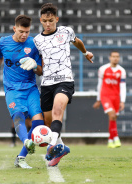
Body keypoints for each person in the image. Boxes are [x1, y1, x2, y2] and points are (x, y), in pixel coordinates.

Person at [0, 15, 45, 169]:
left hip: (30, 88)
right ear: (15, 28)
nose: (24, 35)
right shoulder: (3, 42)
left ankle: (21, 158)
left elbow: (40, 72)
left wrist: (35, 65)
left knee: (38, 124)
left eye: (27, 32)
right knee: (18, 117)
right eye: (21, 31)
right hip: (12, 89)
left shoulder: (34, 44)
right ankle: (26, 142)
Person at [33, 3, 94, 167]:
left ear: (56, 19)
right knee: (48, 121)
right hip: (46, 83)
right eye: (45, 21)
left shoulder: (66, 31)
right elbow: (39, 68)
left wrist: (85, 52)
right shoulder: (37, 41)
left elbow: (77, 41)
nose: (47, 24)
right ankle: (61, 147)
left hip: (65, 80)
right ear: (40, 20)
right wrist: (33, 66)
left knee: (57, 110)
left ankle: (52, 146)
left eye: (51, 20)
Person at [93, 51, 126, 148]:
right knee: (112, 114)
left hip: (116, 97)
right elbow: (99, 84)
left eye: (117, 57)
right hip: (105, 96)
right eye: (113, 56)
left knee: (113, 118)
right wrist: (98, 99)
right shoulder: (103, 69)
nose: (115, 58)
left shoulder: (122, 71)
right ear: (110, 58)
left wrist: (122, 101)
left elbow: (123, 87)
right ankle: (116, 138)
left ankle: (110, 140)